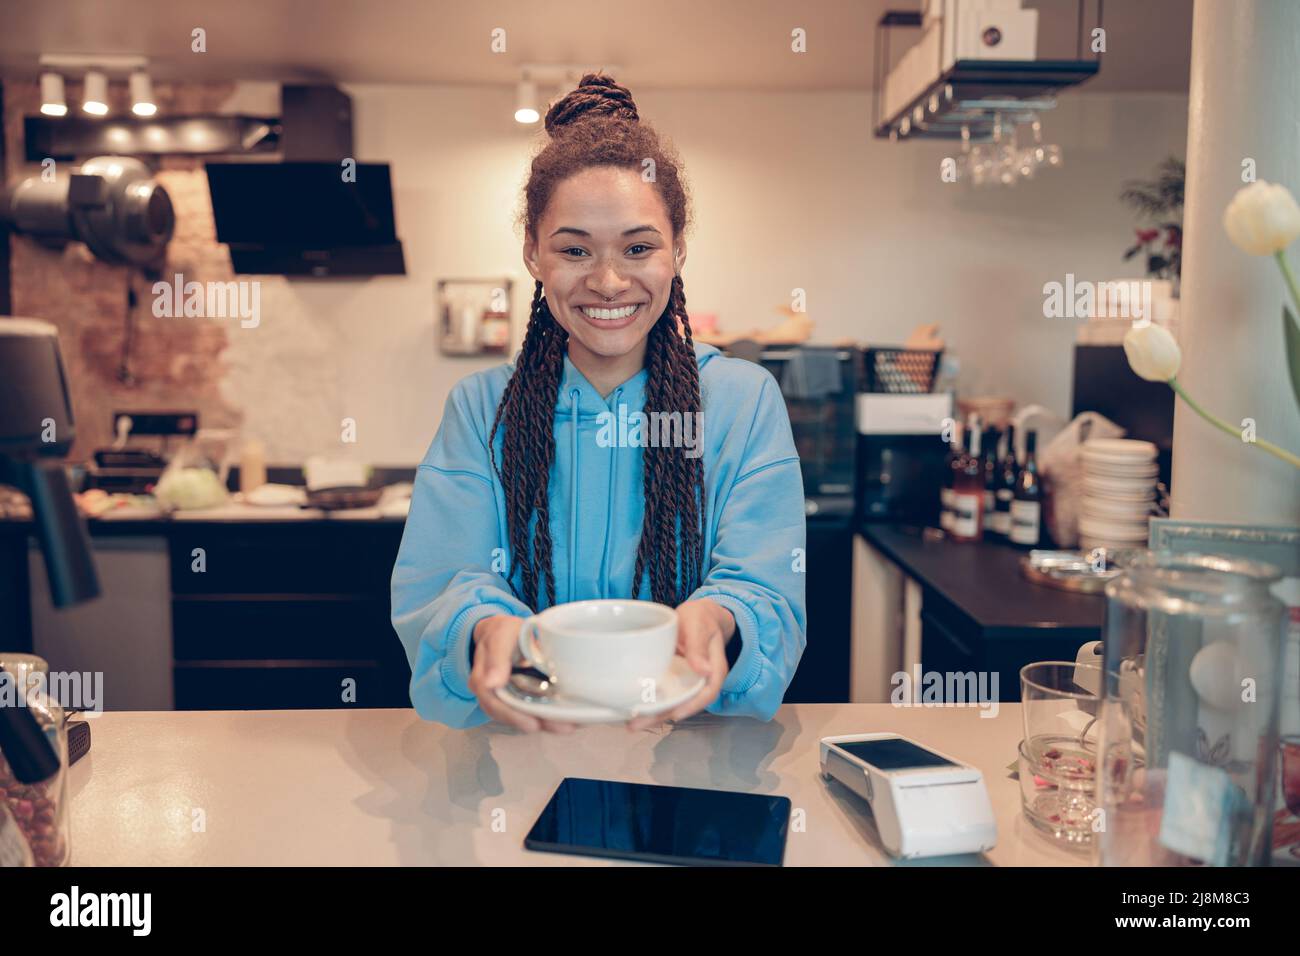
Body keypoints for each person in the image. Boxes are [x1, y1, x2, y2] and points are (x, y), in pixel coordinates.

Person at [391, 73, 806, 732]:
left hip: (691, 752)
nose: (608, 281)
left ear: (677, 252)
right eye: (575, 249)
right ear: (534, 254)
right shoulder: (481, 409)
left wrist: (721, 616)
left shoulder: (742, 401)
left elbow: (768, 587)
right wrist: (483, 625)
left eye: (638, 248)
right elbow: (442, 579)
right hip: (522, 753)